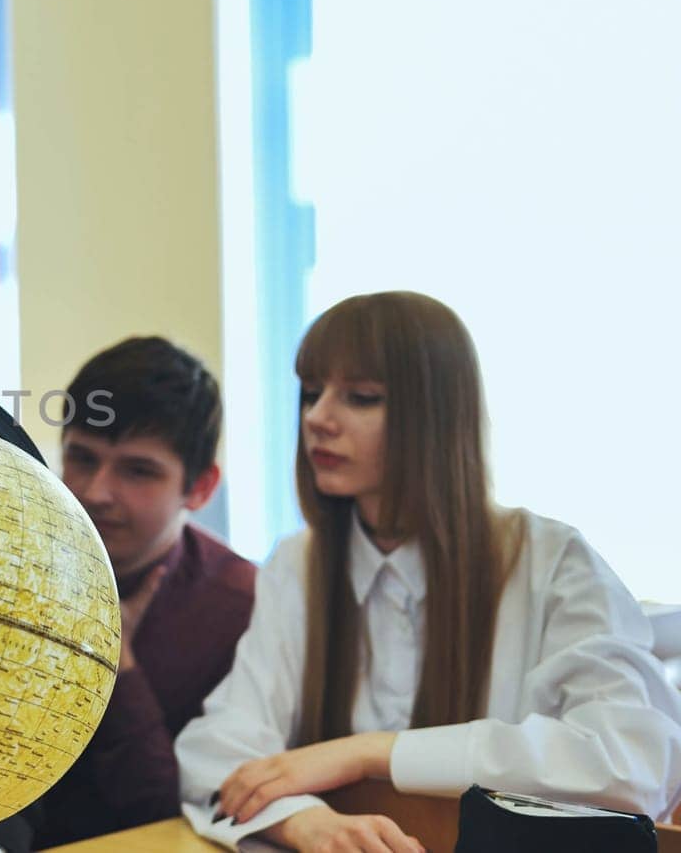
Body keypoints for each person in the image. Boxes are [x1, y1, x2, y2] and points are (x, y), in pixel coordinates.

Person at [175, 291, 681, 852]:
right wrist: (303, 820)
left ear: (438, 416)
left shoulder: (552, 560)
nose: (317, 419)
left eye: (361, 397)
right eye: (312, 393)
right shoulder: (299, 561)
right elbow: (217, 747)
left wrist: (369, 751)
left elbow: (634, 764)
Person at [30, 337, 256, 848]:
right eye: (81, 458)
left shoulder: (243, 609)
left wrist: (117, 660)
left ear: (200, 487)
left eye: (138, 471)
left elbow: (176, 817)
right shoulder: (19, 562)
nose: (95, 492)